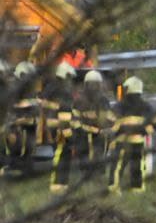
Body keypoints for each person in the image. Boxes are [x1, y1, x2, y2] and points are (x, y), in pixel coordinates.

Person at [109, 76, 156, 193]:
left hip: (122, 141)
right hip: (138, 141)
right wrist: (145, 131)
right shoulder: (146, 106)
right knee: (137, 166)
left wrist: (116, 133)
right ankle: (137, 189)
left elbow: (109, 121)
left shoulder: (120, 105)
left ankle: (114, 188)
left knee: (117, 166)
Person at [71, 69, 114, 181]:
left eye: (95, 84)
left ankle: (96, 174)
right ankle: (89, 175)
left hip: (98, 136)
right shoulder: (80, 101)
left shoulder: (102, 100)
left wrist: (109, 129)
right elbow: (75, 123)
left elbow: (108, 120)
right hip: (84, 135)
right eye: (92, 84)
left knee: (98, 152)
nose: (93, 87)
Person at [3, 62, 42, 176]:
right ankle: (13, 165)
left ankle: (25, 165)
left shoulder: (31, 91)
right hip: (14, 126)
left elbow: (34, 110)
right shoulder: (11, 91)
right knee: (15, 139)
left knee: (28, 141)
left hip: (27, 125)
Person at [45, 62, 78, 193]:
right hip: (60, 127)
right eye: (69, 77)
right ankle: (56, 184)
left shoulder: (51, 88)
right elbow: (64, 113)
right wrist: (70, 134)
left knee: (64, 154)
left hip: (55, 124)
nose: (71, 81)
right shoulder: (63, 92)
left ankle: (63, 183)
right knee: (61, 154)